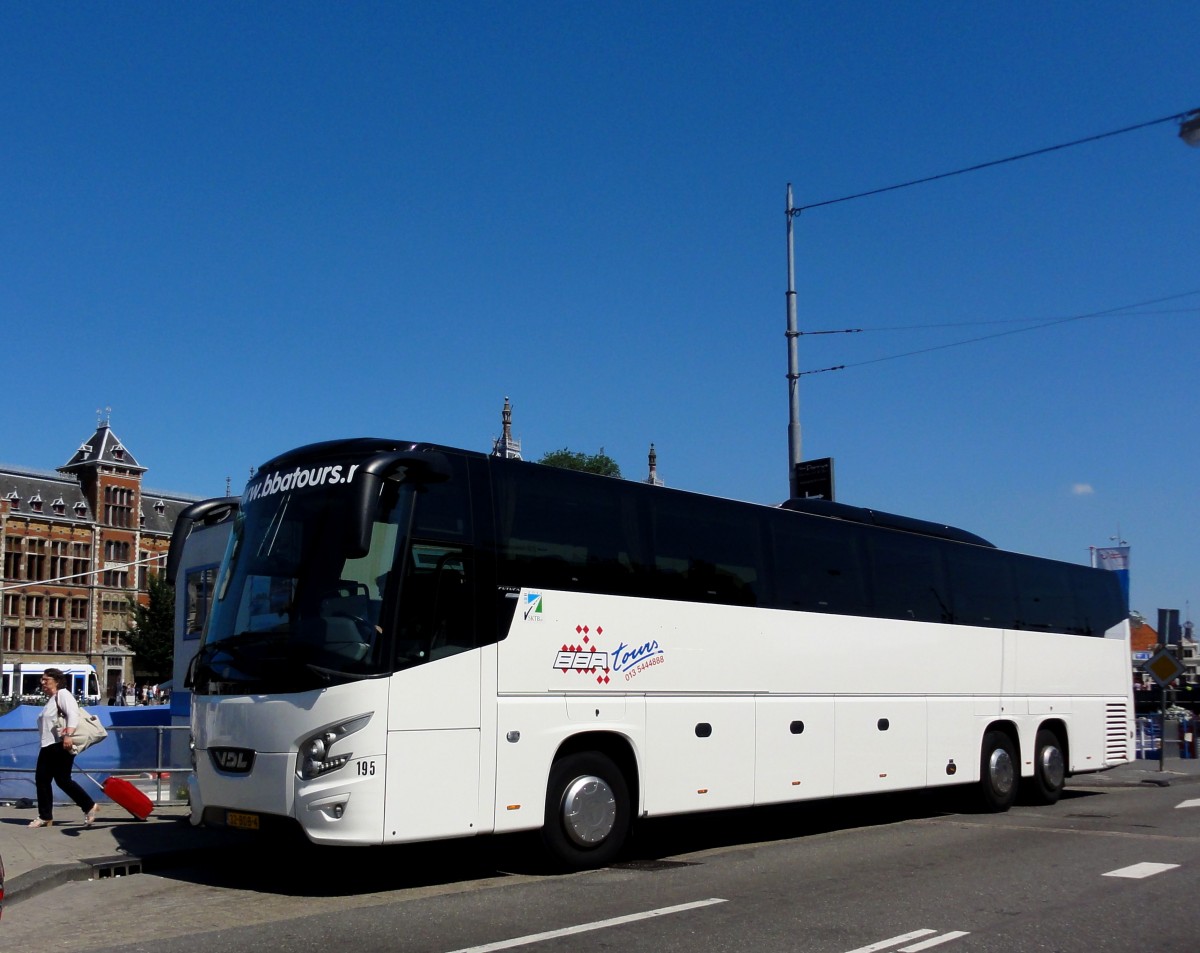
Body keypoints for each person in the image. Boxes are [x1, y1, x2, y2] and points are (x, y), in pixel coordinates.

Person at [29, 668, 98, 829]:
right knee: (61, 779)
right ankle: (88, 806)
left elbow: (72, 714)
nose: (42, 682)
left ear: (57, 681)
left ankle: (45, 816)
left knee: (44, 779)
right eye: (42, 679)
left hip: (58, 744)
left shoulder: (63, 695)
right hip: (50, 744)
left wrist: (68, 735)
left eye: (46, 679)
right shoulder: (52, 699)